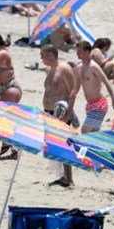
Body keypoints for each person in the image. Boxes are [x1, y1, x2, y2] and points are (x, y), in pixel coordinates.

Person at [41, 44, 77, 187]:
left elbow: (73, 91)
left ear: (50, 55)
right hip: (49, 113)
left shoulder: (64, 69)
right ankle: (62, 176)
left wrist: (68, 114)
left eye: (42, 55)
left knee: (65, 144)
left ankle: (69, 178)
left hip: (61, 113)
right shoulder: (50, 69)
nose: (41, 58)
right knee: (55, 144)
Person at [68, 41, 114, 134]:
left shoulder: (94, 67)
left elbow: (107, 83)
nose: (77, 54)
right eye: (77, 51)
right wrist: (70, 103)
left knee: (85, 130)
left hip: (99, 104)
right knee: (94, 134)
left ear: (87, 52)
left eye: (80, 51)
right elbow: (76, 89)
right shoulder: (79, 68)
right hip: (90, 105)